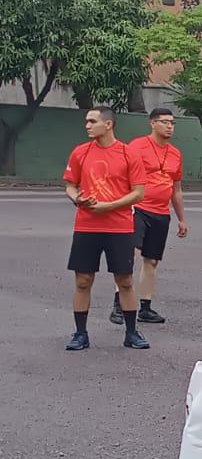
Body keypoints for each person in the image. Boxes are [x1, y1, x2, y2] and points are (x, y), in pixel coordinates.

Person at [63, 107, 149, 352]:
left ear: (108, 124)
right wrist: (77, 199)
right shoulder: (80, 153)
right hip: (86, 226)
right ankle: (80, 333)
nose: (87, 125)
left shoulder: (128, 154)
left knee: (125, 280)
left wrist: (108, 206)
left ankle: (132, 333)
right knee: (82, 280)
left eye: (92, 121)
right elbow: (70, 185)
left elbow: (138, 193)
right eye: (86, 121)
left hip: (119, 227)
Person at [115, 107, 188, 327]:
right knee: (131, 254)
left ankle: (145, 307)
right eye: (165, 122)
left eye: (172, 123)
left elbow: (176, 190)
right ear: (152, 123)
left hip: (161, 212)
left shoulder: (175, 153)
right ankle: (119, 304)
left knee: (152, 260)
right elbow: (121, 175)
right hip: (138, 208)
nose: (169, 126)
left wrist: (181, 218)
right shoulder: (137, 146)